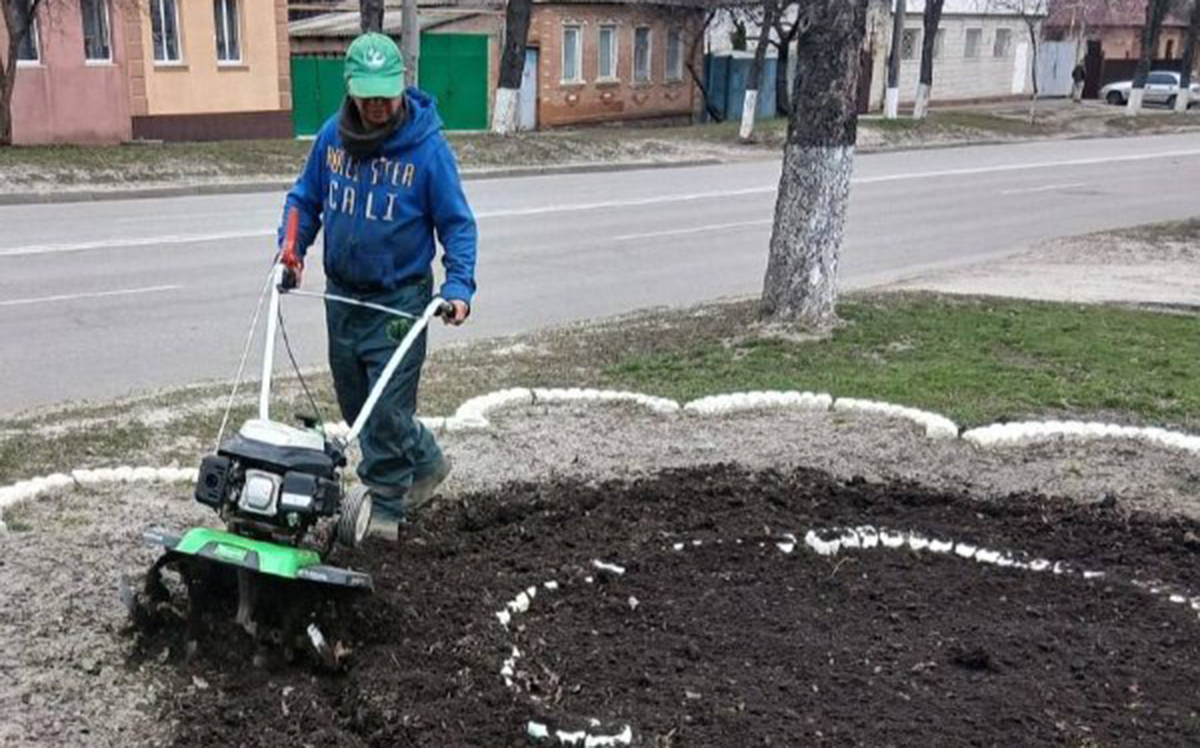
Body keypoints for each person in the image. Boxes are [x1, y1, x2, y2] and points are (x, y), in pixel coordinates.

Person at [277, 32, 477, 541]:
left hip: (399, 300)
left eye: (386, 94)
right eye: (368, 95)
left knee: (385, 409)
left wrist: (458, 286)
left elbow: (457, 224)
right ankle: (428, 462)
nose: (378, 105)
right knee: (358, 407)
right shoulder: (331, 139)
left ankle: (384, 512)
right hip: (343, 298)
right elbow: (304, 200)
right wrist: (292, 249)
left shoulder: (427, 150)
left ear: (400, 86)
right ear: (351, 89)